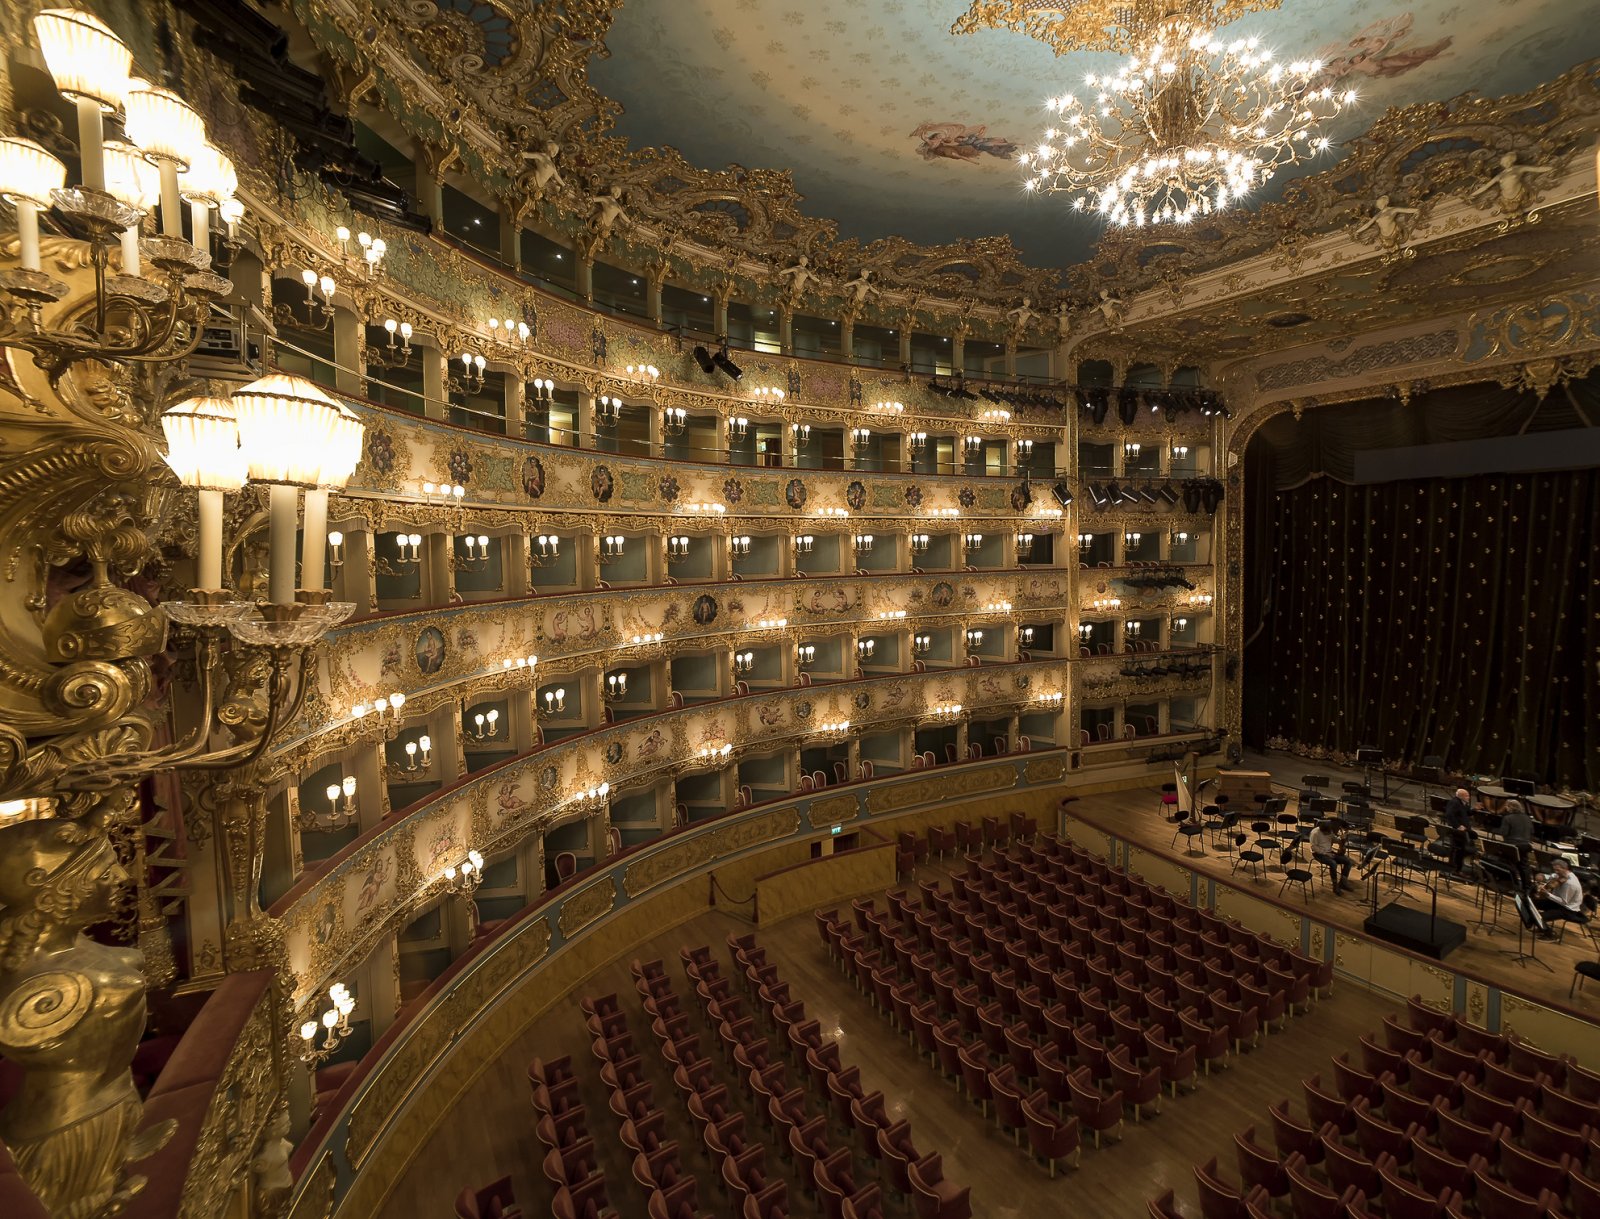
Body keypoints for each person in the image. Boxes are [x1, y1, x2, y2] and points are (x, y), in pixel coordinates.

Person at [1532, 857, 1583, 939]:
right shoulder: (1561, 875)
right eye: (1554, 870)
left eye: (1558, 870)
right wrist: (1542, 876)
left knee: (1539, 917)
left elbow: (1564, 902)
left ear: (1565, 868)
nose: (1556, 872)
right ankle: (1542, 927)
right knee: (1533, 903)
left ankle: (1550, 935)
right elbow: (1551, 876)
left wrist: (1547, 894)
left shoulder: (1570, 883)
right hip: (1557, 903)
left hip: (1568, 910)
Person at [1310, 818, 1353, 893]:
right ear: (1322, 830)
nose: (1328, 834)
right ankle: (1335, 885)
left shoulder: (1329, 830)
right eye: (1326, 833)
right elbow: (1314, 847)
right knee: (1333, 863)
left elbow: (1335, 839)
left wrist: (1342, 838)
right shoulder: (1315, 833)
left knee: (1348, 862)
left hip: (1329, 852)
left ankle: (1343, 882)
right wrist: (1326, 853)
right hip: (1318, 854)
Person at [1442, 787, 1477, 874]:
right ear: (1461, 796)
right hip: (1457, 831)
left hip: (1463, 831)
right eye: (1467, 795)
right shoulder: (1454, 802)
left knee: (1461, 849)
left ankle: (1457, 868)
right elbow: (1449, 815)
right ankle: (1455, 869)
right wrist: (1458, 826)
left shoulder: (1463, 803)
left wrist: (1476, 809)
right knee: (1457, 849)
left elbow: (1467, 813)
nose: (1469, 797)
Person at [1499, 797, 1534, 880]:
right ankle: (1526, 888)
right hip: (1525, 845)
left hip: (1512, 845)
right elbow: (1532, 831)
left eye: (1506, 806)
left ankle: (1511, 884)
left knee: (1507, 863)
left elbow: (1504, 833)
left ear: (1510, 807)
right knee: (1524, 866)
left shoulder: (1507, 818)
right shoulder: (1527, 818)